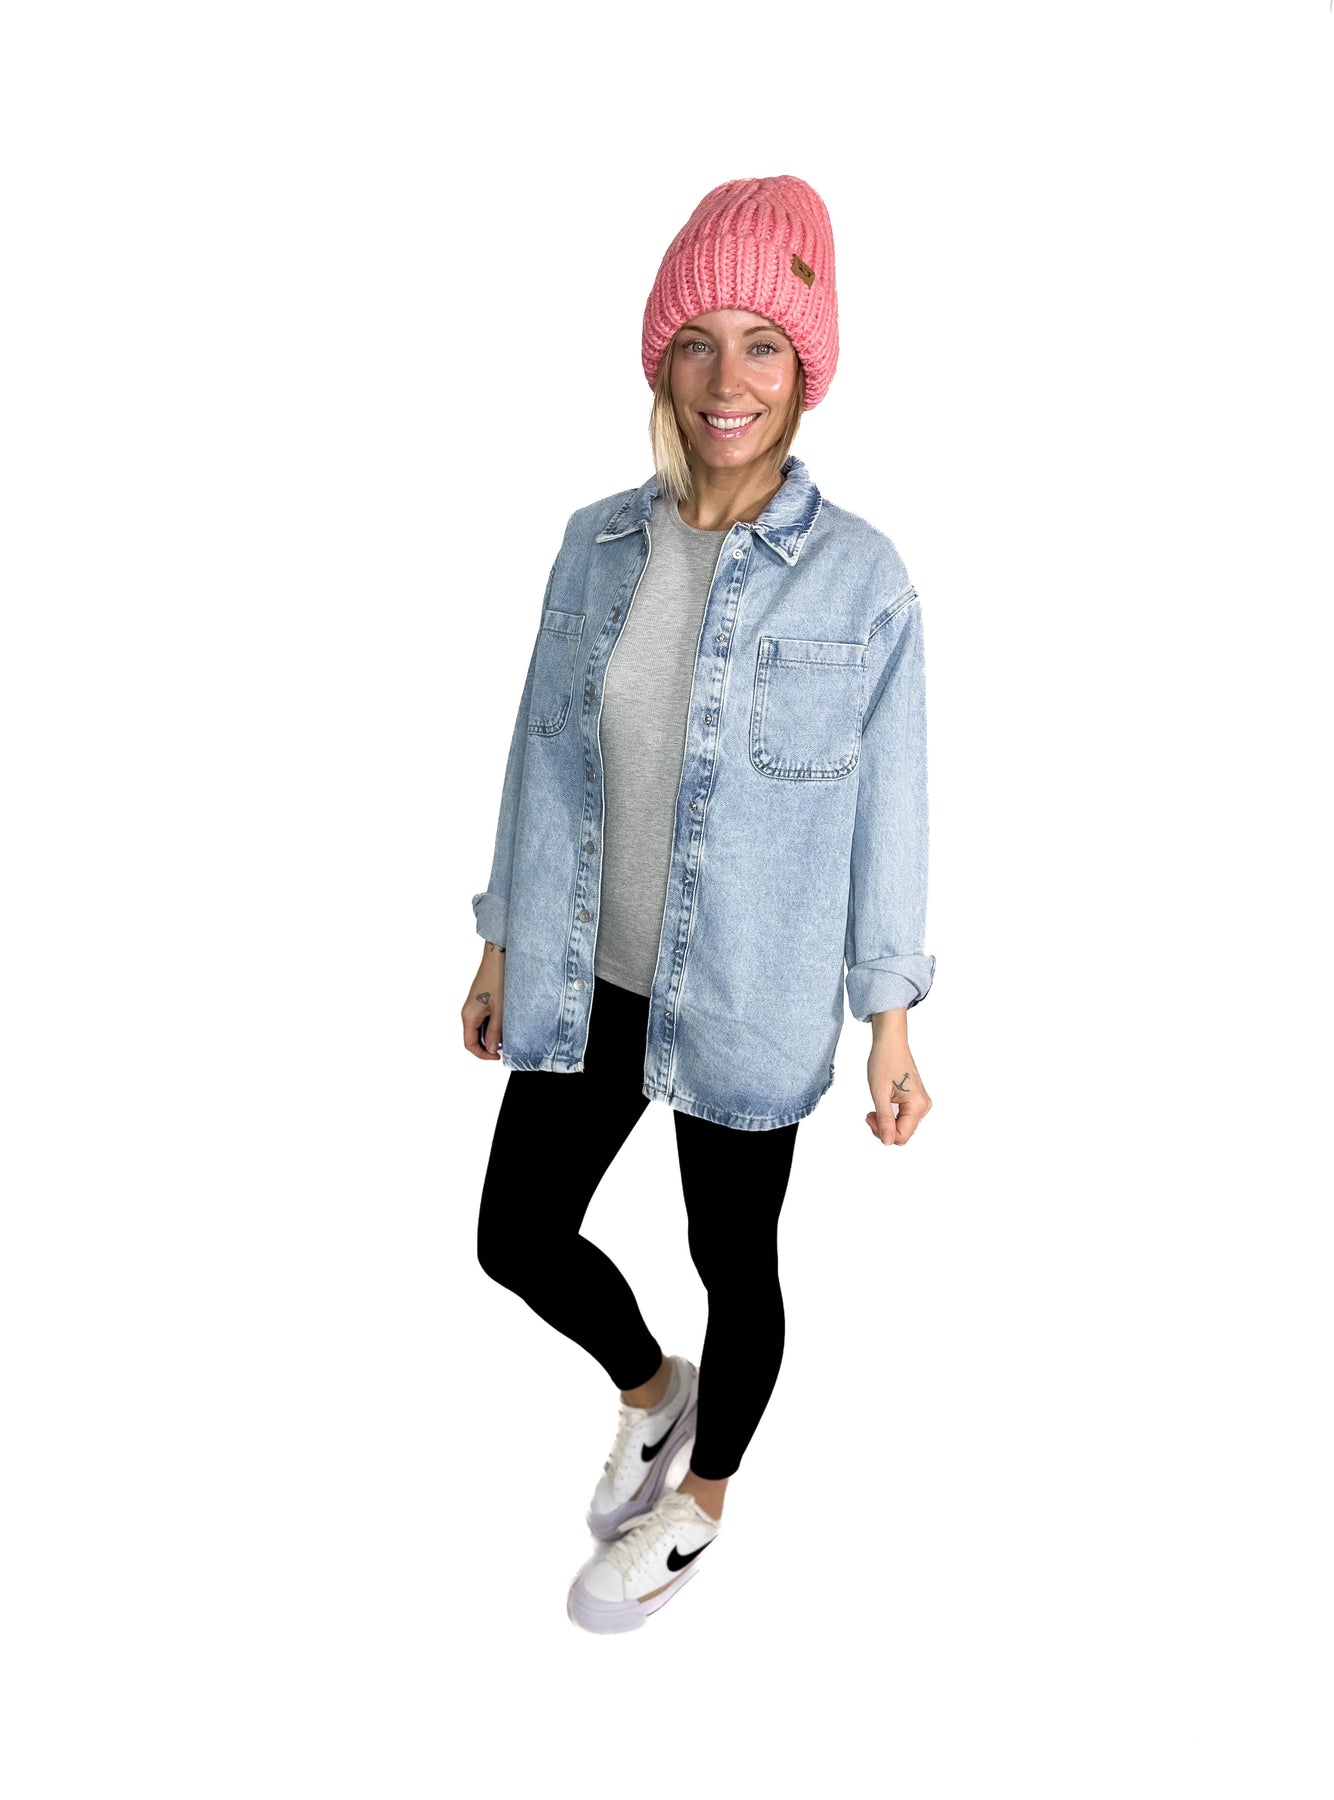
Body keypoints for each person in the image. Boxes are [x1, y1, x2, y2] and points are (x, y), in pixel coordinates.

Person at [463, 174, 935, 1634]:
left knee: (736, 1262)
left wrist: (890, 1021)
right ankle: (653, 1389)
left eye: (764, 345)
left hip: (748, 985)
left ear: (806, 369)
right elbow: (539, 753)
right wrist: (498, 939)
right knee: (515, 1235)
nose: (729, 380)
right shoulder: (594, 543)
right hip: (587, 968)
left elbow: (891, 815)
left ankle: (702, 1503)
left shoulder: (861, 580)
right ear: (660, 359)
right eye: (698, 342)